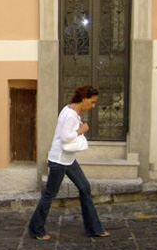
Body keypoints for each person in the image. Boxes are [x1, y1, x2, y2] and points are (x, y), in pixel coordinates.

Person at [28, 86, 110, 240]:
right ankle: (36, 229)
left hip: (68, 159)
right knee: (50, 195)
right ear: (84, 99)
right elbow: (66, 137)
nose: (93, 106)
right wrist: (82, 130)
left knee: (84, 188)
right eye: (92, 102)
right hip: (59, 161)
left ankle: (94, 228)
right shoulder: (71, 115)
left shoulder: (70, 110)